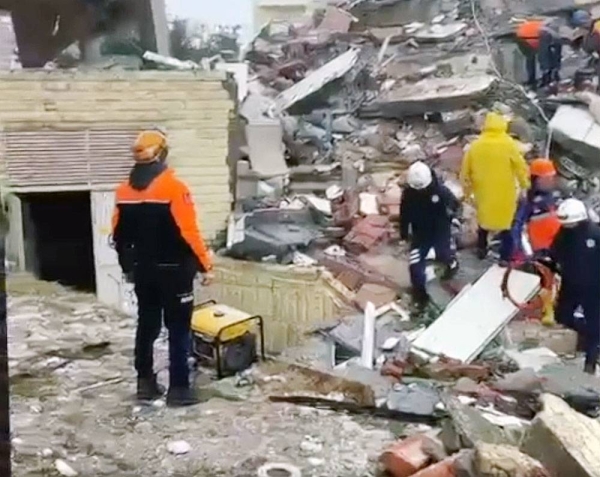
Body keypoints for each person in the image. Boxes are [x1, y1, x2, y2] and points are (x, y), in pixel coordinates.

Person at [112, 130, 214, 407]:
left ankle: (145, 383)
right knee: (179, 328)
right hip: (176, 270)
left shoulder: (123, 191)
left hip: (143, 271)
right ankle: (179, 390)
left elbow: (118, 235)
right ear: (161, 153)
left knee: (147, 325)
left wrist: (128, 268)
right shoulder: (174, 188)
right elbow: (189, 231)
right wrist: (206, 265)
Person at [460, 112, 530, 263]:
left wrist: (467, 194)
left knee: (483, 223)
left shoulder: (475, 146)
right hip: (505, 192)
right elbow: (520, 167)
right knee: (507, 225)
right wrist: (525, 186)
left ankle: (481, 250)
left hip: (483, 192)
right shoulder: (509, 144)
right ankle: (505, 258)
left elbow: (465, 173)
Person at [549, 198, 600, 374]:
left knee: (594, 322)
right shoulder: (564, 233)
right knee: (562, 316)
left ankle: (590, 362)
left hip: (594, 287)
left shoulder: (594, 234)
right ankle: (590, 335)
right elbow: (554, 252)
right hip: (570, 283)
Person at [400, 161, 460, 308]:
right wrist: (404, 233)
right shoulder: (408, 194)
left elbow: (455, 205)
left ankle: (452, 264)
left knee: (444, 254)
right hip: (420, 234)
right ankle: (420, 296)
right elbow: (404, 214)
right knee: (415, 268)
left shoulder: (440, 191)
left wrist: (453, 217)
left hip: (440, 230)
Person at [511, 158, 563, 325]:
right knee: (547, 280)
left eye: (551, 177)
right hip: (541, 247)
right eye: (546, 178)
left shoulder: (556, 195)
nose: (551, 181)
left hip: (559, 242)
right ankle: (548, 310)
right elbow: (517, 226)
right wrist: (521, 249)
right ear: (536, 179)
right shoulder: (528, 201)